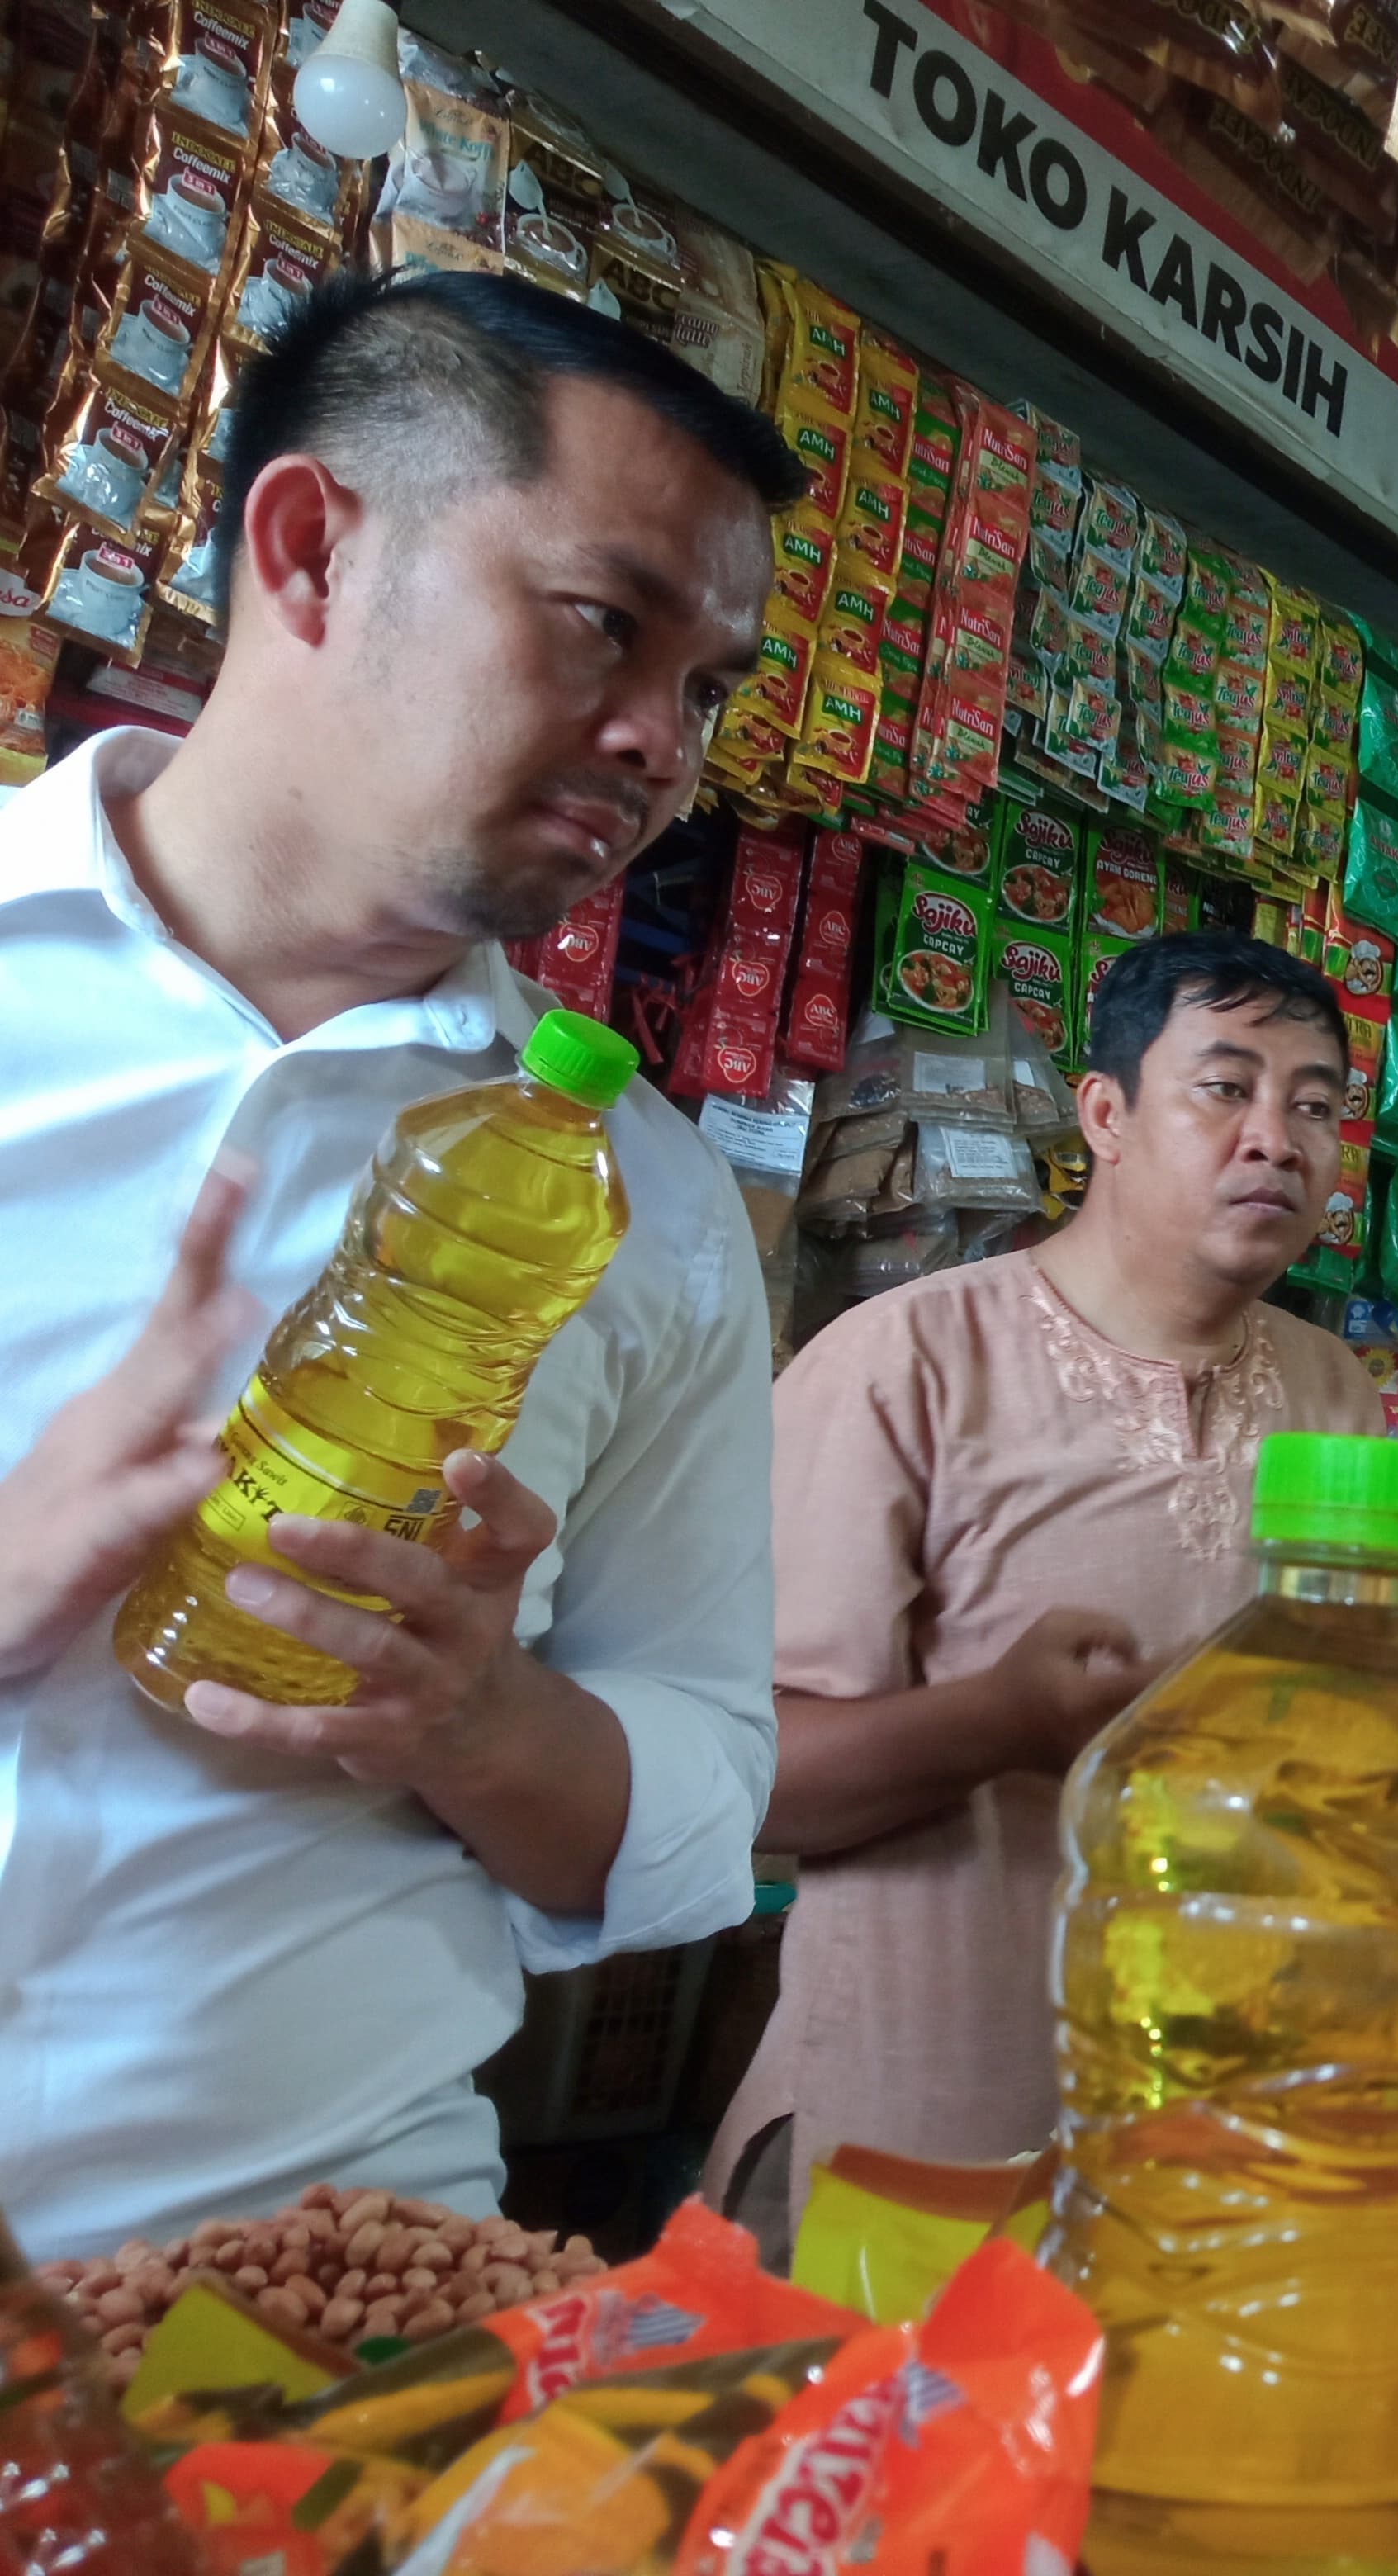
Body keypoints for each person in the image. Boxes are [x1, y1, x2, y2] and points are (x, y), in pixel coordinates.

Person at [0, 274, 804, 2255]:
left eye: (709, 691)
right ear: (311, 550)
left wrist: (480, 1723)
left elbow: (702, 1766)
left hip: (301, 2292)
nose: (660, 749)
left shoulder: (650, 1209)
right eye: (607, 626)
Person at [711, 932, 1386, 2216]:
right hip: (916, 2125)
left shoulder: (1334, 1398)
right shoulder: (905, 1364)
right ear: (1106, 1113)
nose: (1275, 1140)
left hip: (1198, 2150)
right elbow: (745, 1788)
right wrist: (1002, 1721)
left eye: (1315, 1106)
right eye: (1225, 1087)